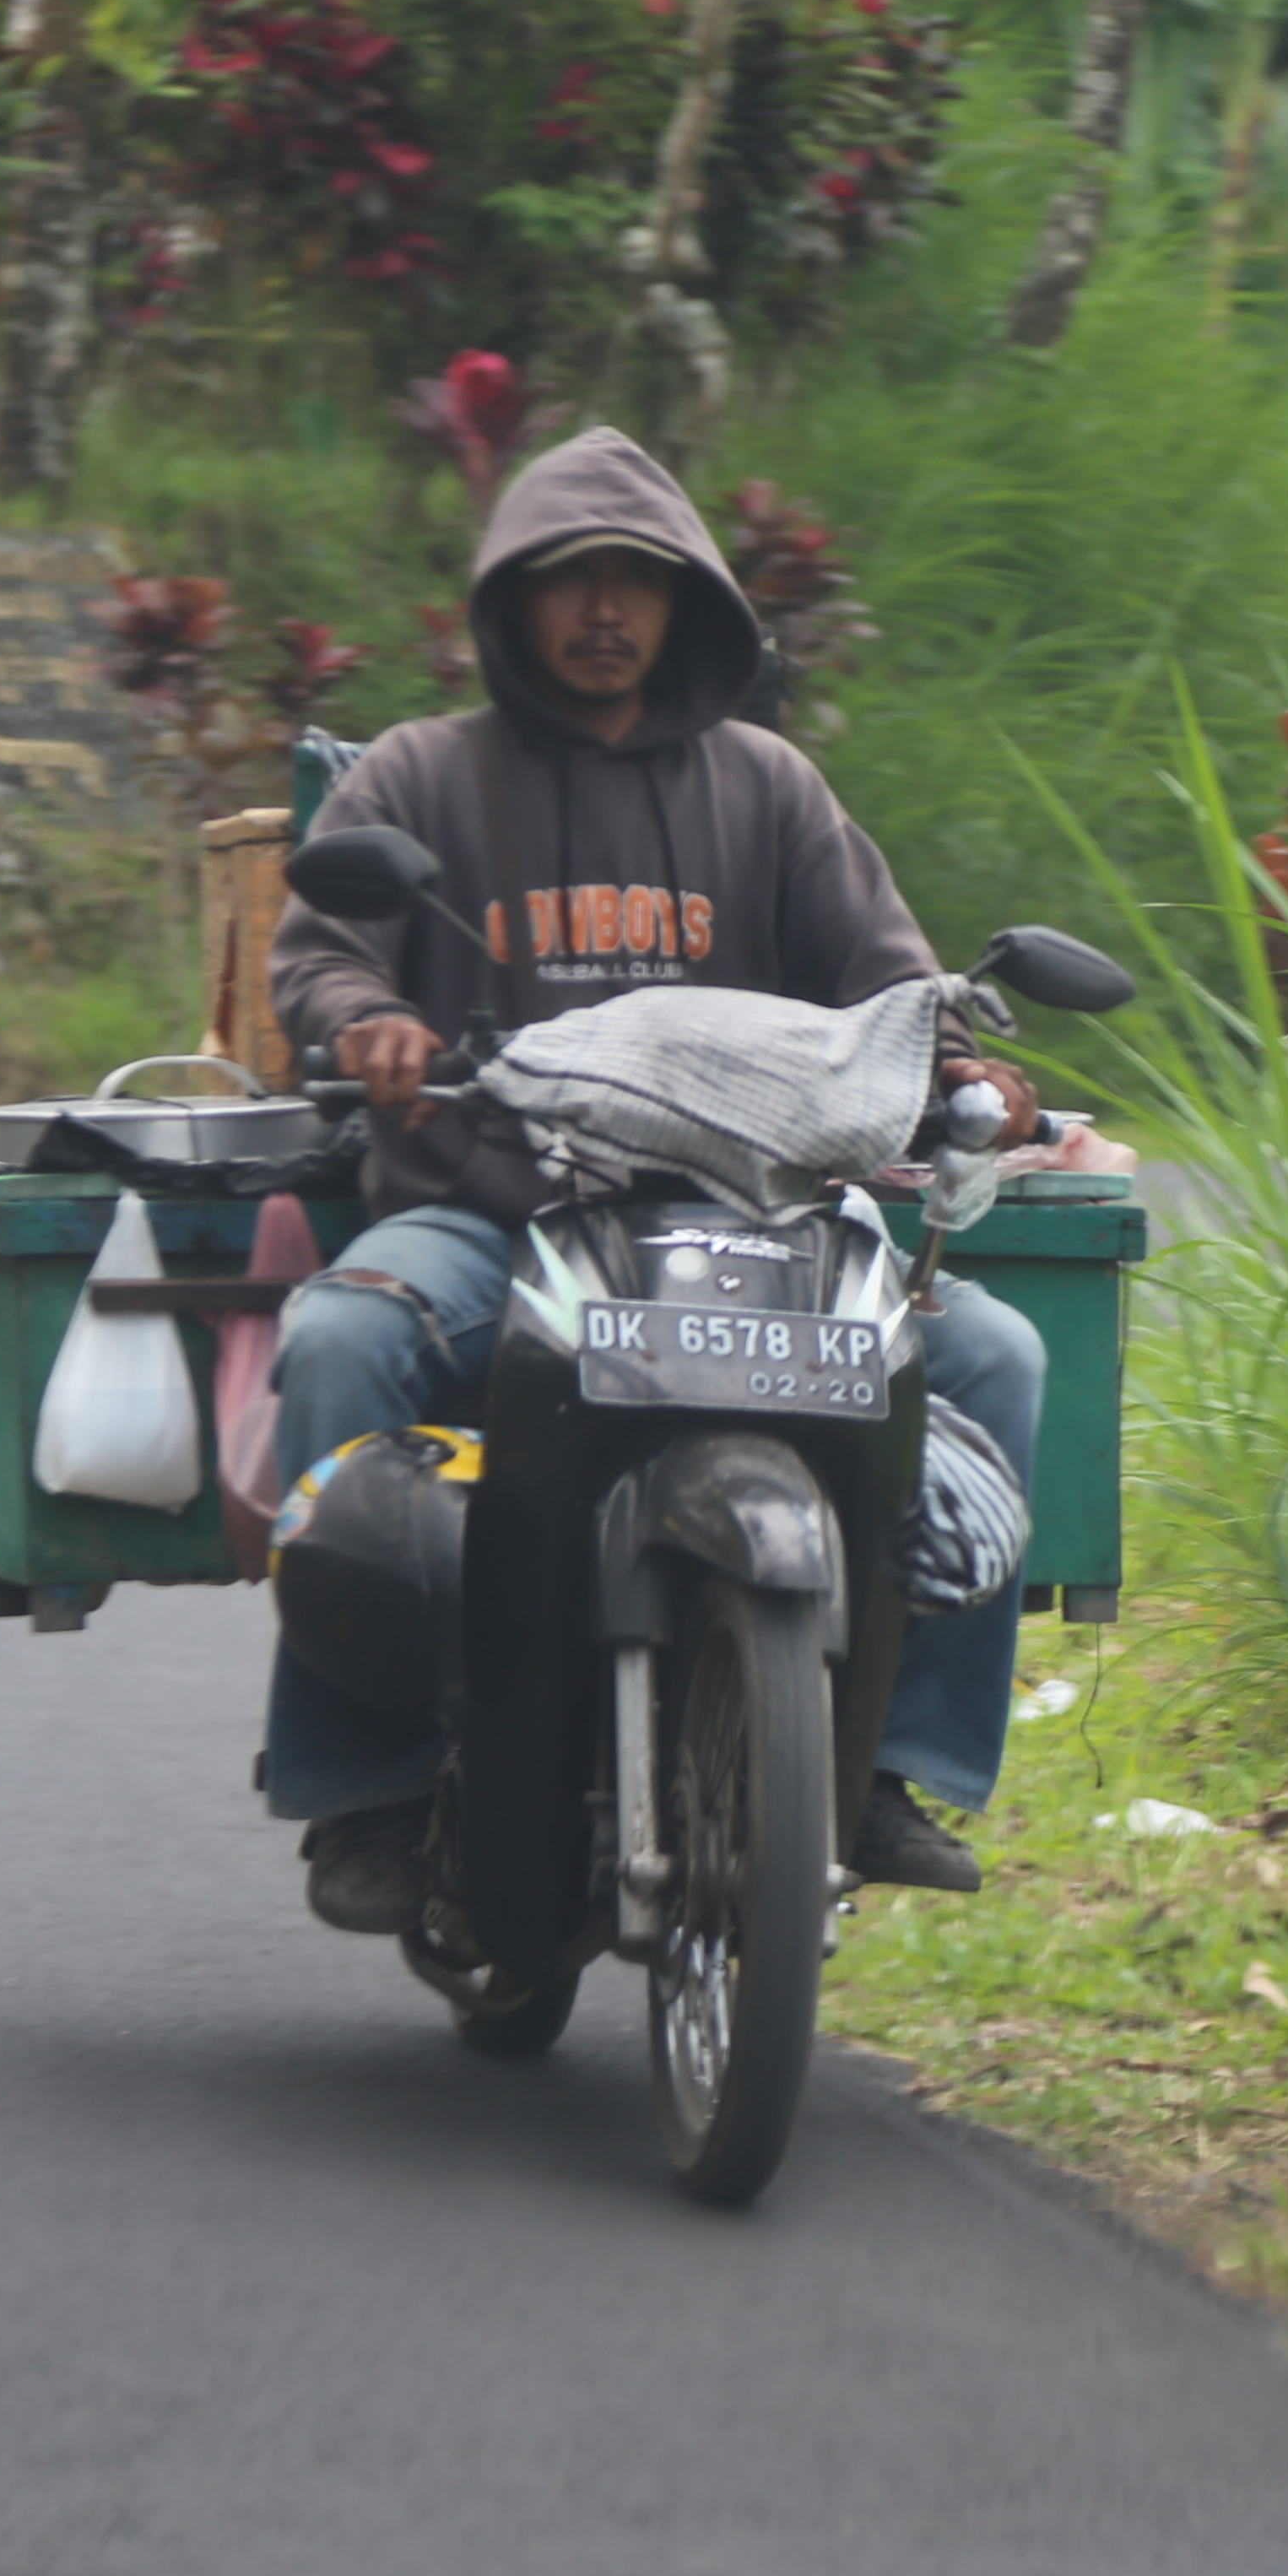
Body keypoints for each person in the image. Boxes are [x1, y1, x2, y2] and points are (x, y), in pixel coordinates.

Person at [264, 426, 1047, 1935]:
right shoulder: (421, 772)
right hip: (493, 1215)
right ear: (512, 600)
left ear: (689, 604)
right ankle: (364, 1783)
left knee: (998, 1358)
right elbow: (322, 946)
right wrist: (363, 1020)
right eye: (572, 582)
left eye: (638, 581)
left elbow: (889, 984)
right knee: (340, 1339)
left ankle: (889, 1756)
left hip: (752, 1230)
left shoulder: (768, 788)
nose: (605, 611)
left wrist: (969, 1075)